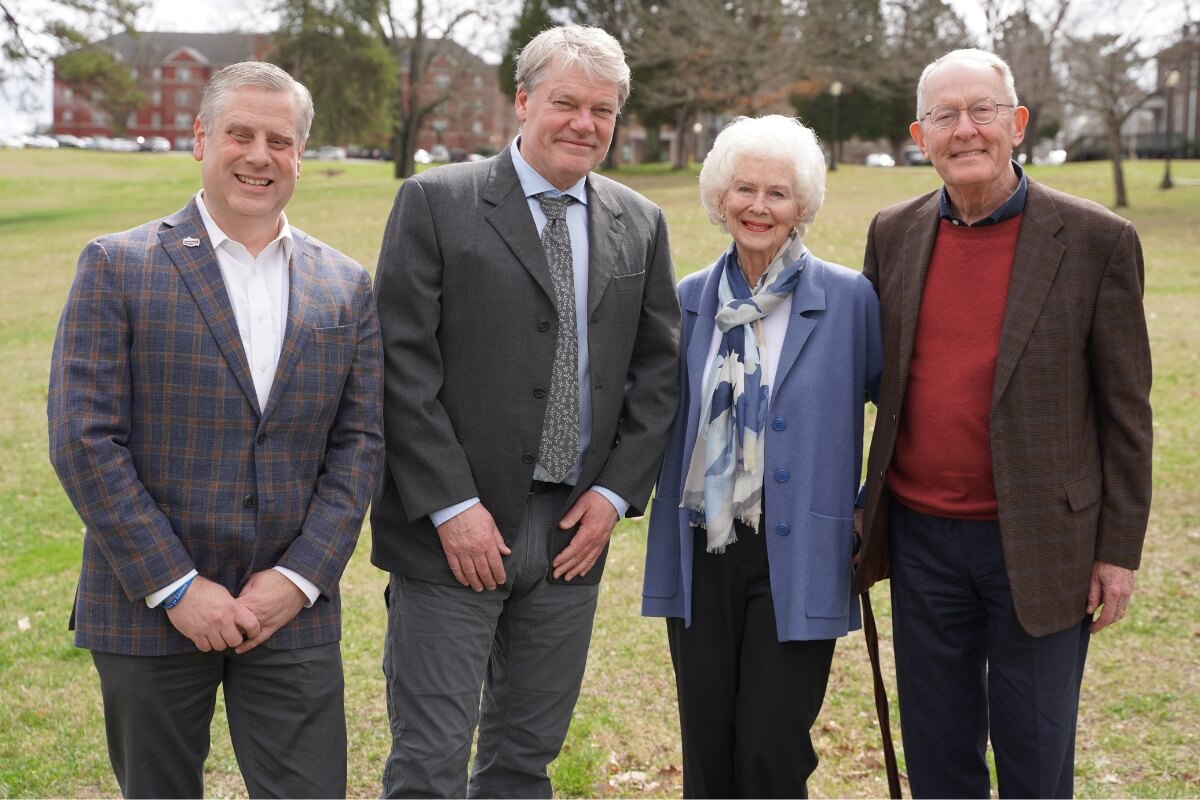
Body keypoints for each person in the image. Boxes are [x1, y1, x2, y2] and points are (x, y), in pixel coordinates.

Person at [47, 61, 384, 798]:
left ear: (300, 154)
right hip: (150, 605)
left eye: (279, 139)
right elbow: (84, 439)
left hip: (289, 609)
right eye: (240, 134)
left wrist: (297, 580)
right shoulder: (118, 265)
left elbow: (359, 445)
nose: (259, 155)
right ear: (201, 137)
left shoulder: (346, 284)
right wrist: (175, 586)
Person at [370, 25, 681, 799]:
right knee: (430, 763)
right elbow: (400, 367)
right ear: (521, 101)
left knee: (523, 758)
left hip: (572, 533)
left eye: (602, 110)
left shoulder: (639, 221)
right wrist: (451, 505)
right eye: (566, 103)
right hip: (454, 534)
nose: (585, 123)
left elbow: (659, 372)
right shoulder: (435, 203)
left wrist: (612, 498)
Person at [855, 48, 1153, 798]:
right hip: (922, 540)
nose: (965, 130)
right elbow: (862, 379)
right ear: (920, 136)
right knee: (938, 749)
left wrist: (1117, 551)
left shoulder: (1095, 241)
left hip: (1043, 541)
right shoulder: (893, 233)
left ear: (1015, 124)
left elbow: (1126, 412)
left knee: (1035, 751)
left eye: (982, 111)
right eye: (943, 116)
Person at [641, 115, 882, 798]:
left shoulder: (849, 301)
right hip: (701, 548)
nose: (758, 206)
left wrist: (868, 505)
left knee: (773, 753)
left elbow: (899, 413)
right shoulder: (685, 302)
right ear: (720, 199)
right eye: (744, 189)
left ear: (802, 206)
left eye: (778, 193)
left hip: (801, 552)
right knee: (709, 750)